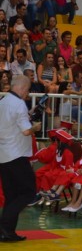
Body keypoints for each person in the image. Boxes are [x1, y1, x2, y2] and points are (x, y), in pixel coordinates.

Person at [0, 75, 41, 242]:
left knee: (11, 195)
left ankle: (7, 232)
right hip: (16, 155)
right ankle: (4, 227)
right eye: (28, 89)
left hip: (3, 155)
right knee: (28, 192)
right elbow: (25, 131)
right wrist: (35, 127)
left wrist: (28, 114)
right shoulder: (19, 104)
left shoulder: (3, 101)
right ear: (22, 88)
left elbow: (11, 121)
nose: (28, 93)